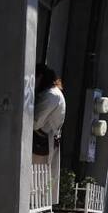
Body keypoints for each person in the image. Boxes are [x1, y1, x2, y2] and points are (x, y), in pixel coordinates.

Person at [33, 64, 66, 202]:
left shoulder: (51, 95)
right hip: (48, 142)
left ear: (40, 77)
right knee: (43, 180)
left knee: (36, 179)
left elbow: (35, 122)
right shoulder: (56, 93)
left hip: (42, 142)